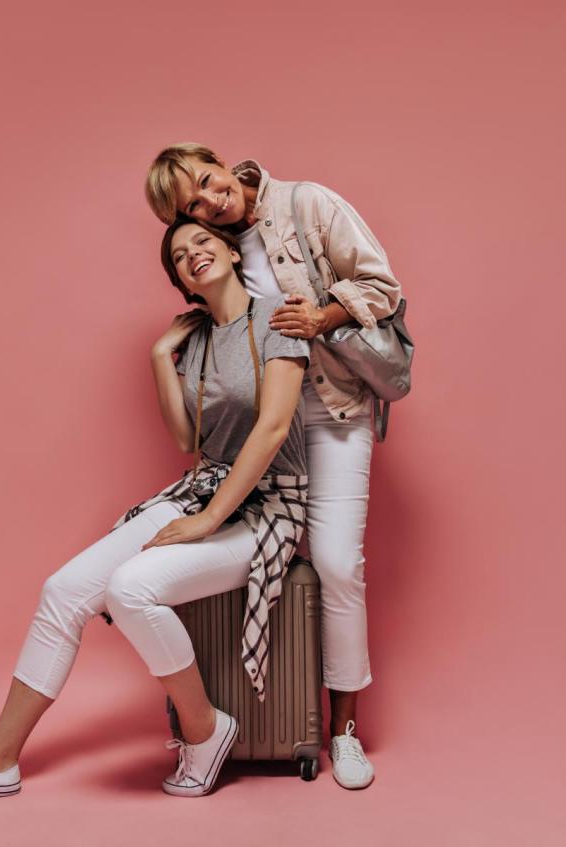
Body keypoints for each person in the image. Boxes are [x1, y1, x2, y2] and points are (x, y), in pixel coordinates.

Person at [0, 219, 310, 805]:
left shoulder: (277, 317)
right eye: (179, 255)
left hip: (266, 509)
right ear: (180, 281)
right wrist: (159, 354)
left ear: (230, 248)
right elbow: (184, 437)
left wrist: (204, 521)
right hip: (201, 491)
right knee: (62, 591)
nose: (194, 254)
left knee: (129, 590)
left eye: (203, 242)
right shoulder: (196, 343)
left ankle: (205, 731)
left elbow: (273, 427)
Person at [145, 143, 404, 790]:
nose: (209, 202)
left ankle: (343, 728)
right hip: (261, 428)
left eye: (207, 181)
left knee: (339, 562)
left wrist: (321, 316)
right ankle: (256, 719)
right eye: (191, 207)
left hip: (335, 408)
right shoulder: (215, 244)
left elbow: (384, 285)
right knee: (253, 556)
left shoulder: (307, 202)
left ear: (222, 161)